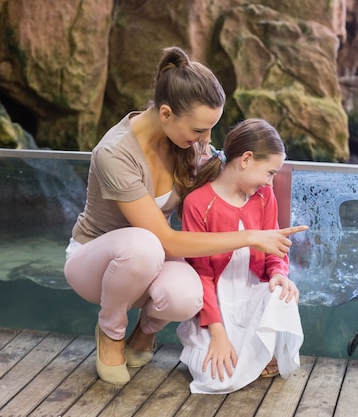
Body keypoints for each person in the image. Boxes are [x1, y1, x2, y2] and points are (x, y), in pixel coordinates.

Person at [63, 47, 308, 386]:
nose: (206, 140)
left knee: (186, 296)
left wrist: (268, 186)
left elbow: (232, 172)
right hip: (96, 262)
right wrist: (252, 236)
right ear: (166, 113)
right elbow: (166, 239)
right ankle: (111, 330)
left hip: (151, 257)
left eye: (210, 129)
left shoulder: (186, 144)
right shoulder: (114, 154)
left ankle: (145, 331)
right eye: (199, 130)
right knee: (144, 245)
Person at [176, 118, 304, 394]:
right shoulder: (198, 203)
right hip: (217, 304)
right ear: (246, 159)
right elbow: (201, 273)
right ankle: (231, 348)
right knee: (216, 381)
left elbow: (274, 250)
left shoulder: (264, 196)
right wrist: (218, 333)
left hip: (252, 292)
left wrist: (280, 274)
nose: (270, 182)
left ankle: (261, 351)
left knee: (284, 295)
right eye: (269, 172)